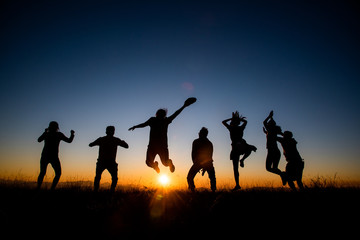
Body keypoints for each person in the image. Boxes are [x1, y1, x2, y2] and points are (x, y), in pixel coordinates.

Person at [128, 98, 196, 173]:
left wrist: (184, 106)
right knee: (152, 162)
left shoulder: (163, 121)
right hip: (155, 146)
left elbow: (176, 114)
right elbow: (144, 124)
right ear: (158, 114)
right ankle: (156, 165)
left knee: (162, 163)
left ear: (160, 115)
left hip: (160, 147)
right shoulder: (156, 120)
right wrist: (135, 126)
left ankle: (167, 164)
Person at [222, 111, 257, 191]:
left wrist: (233, 118)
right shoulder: (238, 128)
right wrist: (237, 119)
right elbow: (245, 122)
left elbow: (223, 122)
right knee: (249, 149)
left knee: (235, 168)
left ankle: (242, 160)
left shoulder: (232, 128)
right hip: (238, 146)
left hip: (239, 146)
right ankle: (237, 184)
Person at [89, 126, 129, 192]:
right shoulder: (115, 140)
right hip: (110, 162)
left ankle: (96, 191)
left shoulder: (101, 139)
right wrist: (123, 141)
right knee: (114, 178)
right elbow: (126, 146)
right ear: (113, 132)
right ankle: (111, 191)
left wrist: (95, 143)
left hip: (102, 162)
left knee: (98, 177)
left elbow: (90, 144)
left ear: (106, 131)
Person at [37, 121, 75, 190]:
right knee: (57, 173)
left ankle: (38, 188)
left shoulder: (48, 134)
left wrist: (45, 133)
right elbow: (69, 141)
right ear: (57, 127)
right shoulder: (58, 134)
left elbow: (39, 140)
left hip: (46, 156)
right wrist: (72, 134)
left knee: (43, 172)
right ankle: (51, 189)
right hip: (53, 157)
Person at [187, 127, 216, 192]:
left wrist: (204, 167)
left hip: (206, 163)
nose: (199, 134)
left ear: (204, 134)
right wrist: (195, 163)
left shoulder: (208, 143)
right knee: (189, 177)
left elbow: (209, 156)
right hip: (199, 162)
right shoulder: (197, 142)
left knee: (212, 177)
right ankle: (192, 190)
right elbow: (193, 153)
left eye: (200, 133)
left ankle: (213, 191)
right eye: (199, 132)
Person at [263, 111, 286, 184]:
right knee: (274, 168)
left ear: (270, 125)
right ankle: (283, 175)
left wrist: (269, 116)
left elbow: (264, 122)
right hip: (276, 151)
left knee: (268, 168)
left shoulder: (270, 130)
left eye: (268, 124)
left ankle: (282, 174)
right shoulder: (273, 131)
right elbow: (272, 134)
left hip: (272, 151)